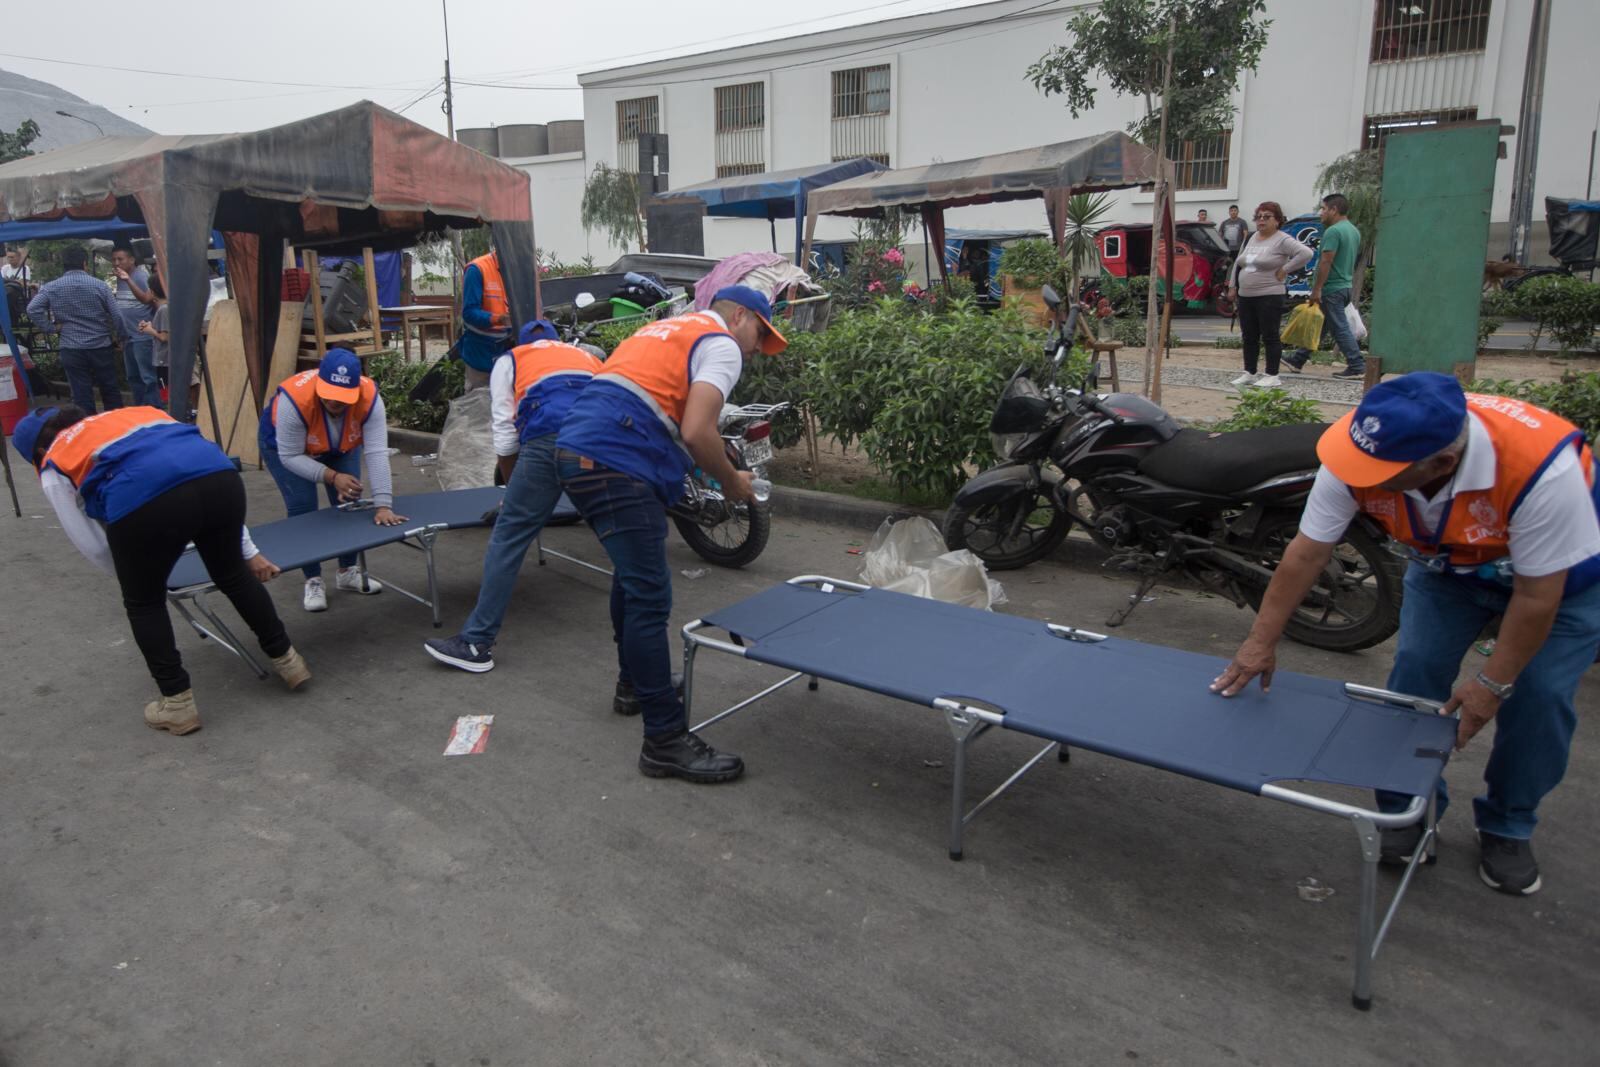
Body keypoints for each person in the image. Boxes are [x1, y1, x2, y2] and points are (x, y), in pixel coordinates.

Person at [1211, 374, 1600, 896]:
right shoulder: (1364, 446)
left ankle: (1507, 824)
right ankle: (1409, 812)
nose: (1358, 477)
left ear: (1441, 464)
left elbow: (1537, 598)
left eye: (1378, 474)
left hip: (1558, 585)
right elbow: (1307, 551)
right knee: (1413, 679)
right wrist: (1260, 640)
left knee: (1539, 698)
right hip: (1446, 570)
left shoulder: (1539, 470)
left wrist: (1491, 684)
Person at [555, 285, 787, 783]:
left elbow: (658, 408)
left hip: (580, 448)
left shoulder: (665, 328)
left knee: (634, 577)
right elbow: (697, 430)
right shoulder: (720, 341)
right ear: (740, 316)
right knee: (650, 597)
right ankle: (664, 740)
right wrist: (732, 483)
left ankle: (634, 686)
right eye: (759, 335)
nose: (755, 349)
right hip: (615, 458)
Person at [13, 405, 311, 735]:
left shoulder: (55, 458)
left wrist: (133, 577)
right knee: (233, 573)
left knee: (144, 603)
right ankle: (289, 661)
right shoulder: (138, 414)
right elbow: (197, 462)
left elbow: (91, 541)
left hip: (147, 499)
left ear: (38, 451)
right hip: (220, 479)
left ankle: (178, 705)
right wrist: (248, 551)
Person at [423, 319, 604, 672]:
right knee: (616, 532)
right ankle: (641, 647)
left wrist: (512, 491)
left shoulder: (513, 360)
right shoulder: (585, 357)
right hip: (599, 438)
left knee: (508, 536)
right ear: (556, 341)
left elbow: (505, 434)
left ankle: (477, 644)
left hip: (549, 439)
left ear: (519, 343)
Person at [258, 349, 407, 612]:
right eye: (329, 395)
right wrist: (331, 476)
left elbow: (375, 452)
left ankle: (347, 571)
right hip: (289, 449)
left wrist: (384, 504)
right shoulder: (294, 401)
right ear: (320, 383)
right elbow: (290, 455)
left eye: (343, 397)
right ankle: (312, 578)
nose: (335, 403)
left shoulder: (370, 398)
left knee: (351, 500)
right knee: (302, 506)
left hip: (340, 445)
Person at [1225, 202, 1313, 389]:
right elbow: (1239, 262)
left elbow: (1305, 253)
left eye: (1267, 217)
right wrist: (1232, 286)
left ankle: (1272, 374)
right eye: (1259, 217)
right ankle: (1250, 372)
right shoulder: (1251, 238)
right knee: (1249, 336)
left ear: (1278, 221)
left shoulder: (1282, 239)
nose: (1261, 220)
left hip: (1269, 295)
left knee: (1270, 335)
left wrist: (1285, 269)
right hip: (1246, 295)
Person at [26, 245, 122, 414]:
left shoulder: (51, 287)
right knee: (109, 389)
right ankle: (115, 427)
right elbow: (117, 316)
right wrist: (121, 337)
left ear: (64, 264)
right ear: (84, 263)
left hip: (71, 347)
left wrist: (51, 328)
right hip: (100, 345)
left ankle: (86, 430)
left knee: (81, 393)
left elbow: (32, 309)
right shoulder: (100, 286)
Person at [1285, 193, 1365, 379]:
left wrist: (1317, 289)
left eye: (1323, 209)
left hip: (1331, 288)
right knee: (1322, 325)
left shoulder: (1333, 232)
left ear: (1334, 210)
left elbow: (1326, 261)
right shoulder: (1353, 230)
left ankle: (1356, 365)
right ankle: (1297, 359)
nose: (1321, 213)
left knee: (1339, 327)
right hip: (1344, 286)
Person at [137, 274, 197, 416]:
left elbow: (165, 337)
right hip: (169, 360)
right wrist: (151, 326)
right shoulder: (170, 307)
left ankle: (177, 415)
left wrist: (149, 330)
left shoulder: (163, 309)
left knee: (167, 392)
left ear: (152, 292)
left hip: (165, 361)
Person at [458, 246, 512, 392]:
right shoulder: (478, 269)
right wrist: (498, 319)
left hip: (508, 353)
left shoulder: (519, 269)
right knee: (478, 407)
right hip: (481, 356)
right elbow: (469, 312)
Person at [111, 245, 159, 407]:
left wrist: (128, 279)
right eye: (114, 259)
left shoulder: (140, 276)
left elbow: (148, 300)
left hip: (142, 335)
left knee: (147, 377)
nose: (116, 263)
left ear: (131, 260)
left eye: (120, 259)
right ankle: (140, 409)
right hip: (128, 336)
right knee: (133, 377)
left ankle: (154, 409)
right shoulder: (120, 277)